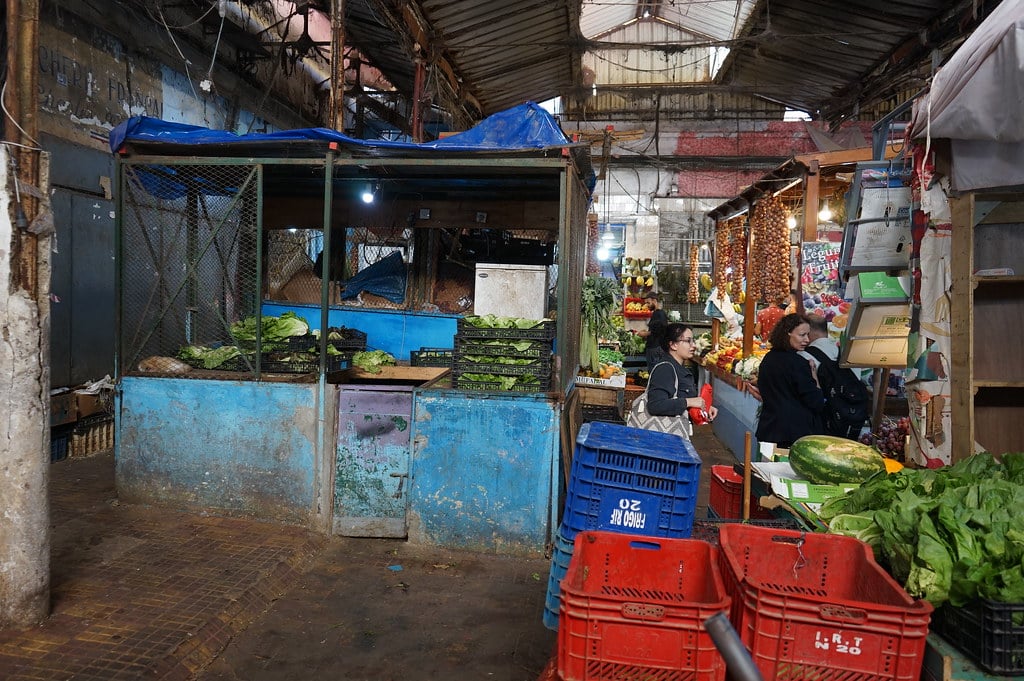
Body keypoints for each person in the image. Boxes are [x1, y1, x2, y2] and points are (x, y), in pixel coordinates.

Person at [754, 313, 826, 448]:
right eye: (802, 335)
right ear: (788, 334)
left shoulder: (768, 359)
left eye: (808, 335)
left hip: (769, 429)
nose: (807, 340)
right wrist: (814, 376)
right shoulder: (799, 364)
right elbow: (816, 402)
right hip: (793, 435)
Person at [647, 323, 719, 423]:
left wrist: (703, 406)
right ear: (673, 345)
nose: (693, 345)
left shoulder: (677, 368)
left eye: (693, 341)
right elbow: (655, 405)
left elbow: (679, 397)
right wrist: (688, 402)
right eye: (688, 341)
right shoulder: (665, 369)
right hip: (665, 435)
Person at [638, 292, 669, 369]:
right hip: (653, 347)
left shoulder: (660, 314)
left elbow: (659, 330)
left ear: (654, 301)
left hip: (655, 348)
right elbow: (655, 329)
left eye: (648, 303)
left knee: (655, 370)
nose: (647, 305)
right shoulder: (656, 313)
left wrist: (645, 334)